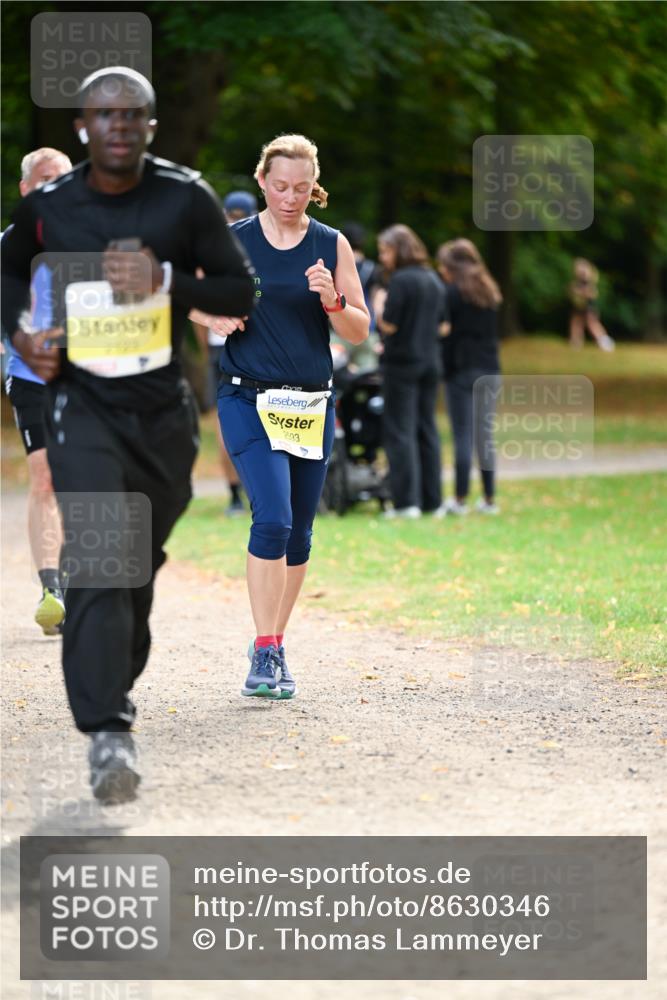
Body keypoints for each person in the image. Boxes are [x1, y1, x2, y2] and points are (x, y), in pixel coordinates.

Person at [1, 67, 255, 803]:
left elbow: (240, 291)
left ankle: (111, 678)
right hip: (80, 405)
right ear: (83, 126)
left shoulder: (185, 198)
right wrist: (23, 329)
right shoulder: (51, 205)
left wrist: (166, 281)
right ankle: (108, 733)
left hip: (162, 416)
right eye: (103, 116)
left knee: (133, 566)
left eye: (132, 115)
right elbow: (8, 270)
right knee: (105, 559)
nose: (117, 126)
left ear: (149, 126)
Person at [216, 133, 369, 699]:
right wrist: (216, 319)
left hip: (309, 402)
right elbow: (197, 305)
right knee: (273, 519)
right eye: (280, 186)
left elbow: (359, 327)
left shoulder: (331, 244)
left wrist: (332, 299)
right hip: (247, 397)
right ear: (262, 181)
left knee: (300, 534)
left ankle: (276, 642)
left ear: (314, 187)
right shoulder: (231, 241)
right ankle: (263, 651)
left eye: (302, 188)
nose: (290, 196)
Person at [4, 148, 73, 634]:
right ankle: (53, 586)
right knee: (45, 477)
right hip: (31, 375)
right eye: (46, 180)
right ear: (27, 189)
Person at [191, 190, 259, 515]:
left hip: (223, 347)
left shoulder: (212, 247)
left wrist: (205, 339)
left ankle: (235, 496)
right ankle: (250, 492)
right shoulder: (262, 242)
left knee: (227, 425)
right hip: (247, 343)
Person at [373, 224, 446, 519]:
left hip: (402, 363)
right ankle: (433, 501)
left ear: (398, 249)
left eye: (385, 250)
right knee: (426, 429)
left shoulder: (401, 280)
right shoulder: (433, 279)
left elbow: (389, 324)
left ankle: (406, 502)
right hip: (431, 361)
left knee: (400, 430)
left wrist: (378, 305)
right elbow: (445, 325)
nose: (383, 257)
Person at [436, 238, 502, 515]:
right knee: (484, 436)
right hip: (490, 369)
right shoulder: (489, 291)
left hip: (461, 370)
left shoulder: (452, 294)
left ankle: (460, 498)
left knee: (462, 435)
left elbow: (448, 336)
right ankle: (488, 499)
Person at [568, 257, 614, 351]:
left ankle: (604, 341)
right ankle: (576, 342)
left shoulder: (589, 282)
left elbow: (593, 294)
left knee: (592, 324)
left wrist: (580, 293)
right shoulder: (578, 282)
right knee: (576, 323)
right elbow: (571, 291)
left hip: (589, 307)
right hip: (579, 307)